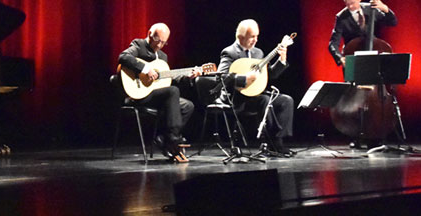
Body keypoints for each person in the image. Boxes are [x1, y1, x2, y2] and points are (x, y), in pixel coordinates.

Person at [118, 23, 197, 163]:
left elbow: (167, 79)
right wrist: (145, 68)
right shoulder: (139, 45)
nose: (160, 45)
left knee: (187, 106)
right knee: (173, 91)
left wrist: (188, 76)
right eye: (158, 40)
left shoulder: (162, 56)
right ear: (149, 34)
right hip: (140, 94)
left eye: (164, 42)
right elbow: (123, 57)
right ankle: (173, 139)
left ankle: (163, 137)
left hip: (156, 96)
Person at [215, 19, 295, 155]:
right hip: (237, 97)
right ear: (240, 37)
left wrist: (282, 59)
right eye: (252, 37)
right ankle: (270, 143)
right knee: (264, 100)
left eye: (257, 36)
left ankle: (277, 141)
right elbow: (221, 77)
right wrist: (244, 78)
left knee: (286, 100)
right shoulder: (229, 52)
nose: (256, 40)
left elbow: (270, 74)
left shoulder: (258, 53)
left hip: (256, 94)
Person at [328, 0, 398, 66]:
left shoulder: (371, 8)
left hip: (373, 52)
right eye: (347, 3)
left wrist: (385, 9)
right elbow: (333, 43)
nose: (350, 6)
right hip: (353, 56)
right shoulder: (341, 17)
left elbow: (392, 22)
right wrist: (340, 58)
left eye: (353, 3)